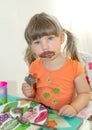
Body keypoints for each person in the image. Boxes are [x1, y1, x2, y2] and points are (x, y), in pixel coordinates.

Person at [22, 12, 90, 117]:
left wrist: (74, 108)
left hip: (62, 116)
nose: (45, 47)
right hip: (38, 114)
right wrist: (29, 92)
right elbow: (32, 91)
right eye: (37, 42)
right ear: (31, 46)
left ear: (61, 38)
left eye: (50, 38)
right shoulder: (34, 66)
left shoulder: (75, 67)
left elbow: (85, 94)